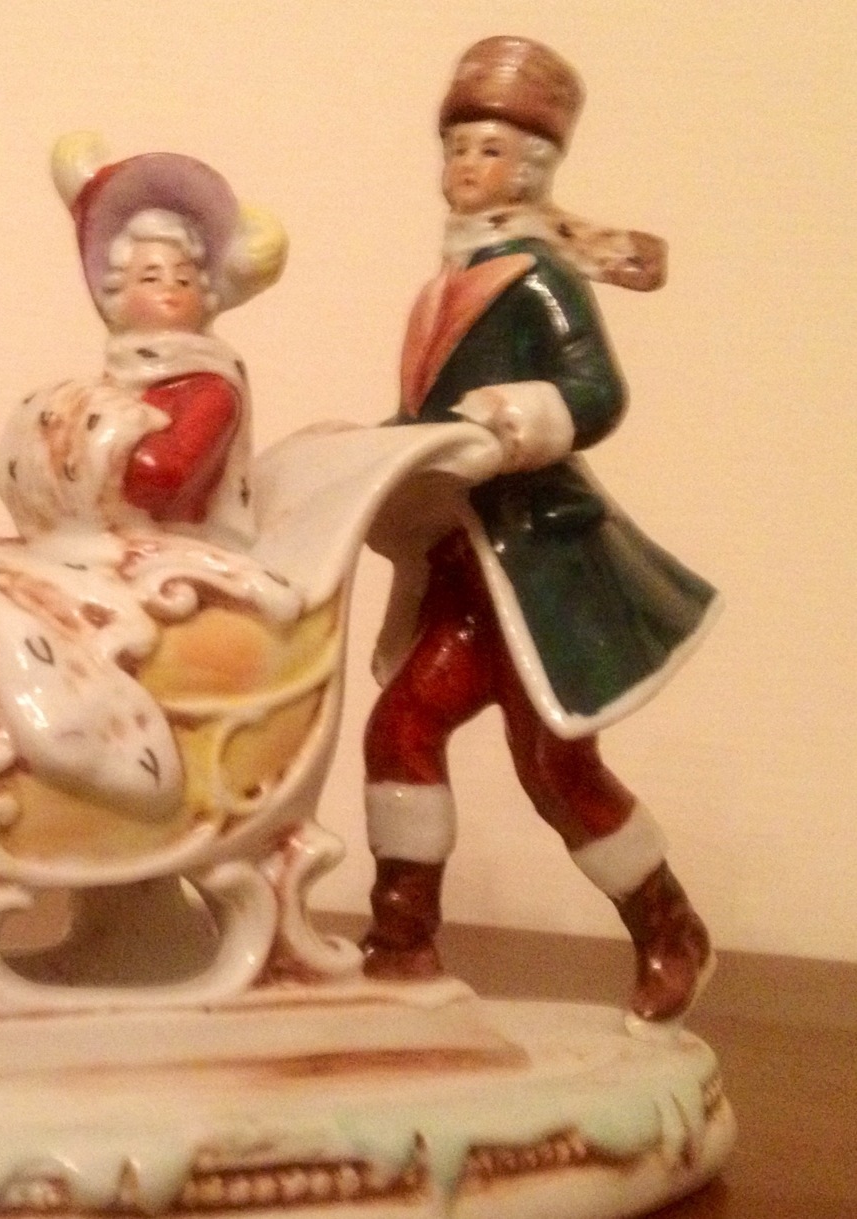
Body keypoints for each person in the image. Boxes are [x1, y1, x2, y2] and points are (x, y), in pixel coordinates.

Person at [360, 36, 720, 1023]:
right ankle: (400, 942)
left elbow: (594, 393)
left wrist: (519, 417)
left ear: (529, 171)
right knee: (401, 728)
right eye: (456, 147)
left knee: (555, 769)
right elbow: (434, 418)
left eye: (488, 150)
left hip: (537, 568)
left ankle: (669, 928)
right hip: (462, 568)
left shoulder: (536, 280)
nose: (464, 166)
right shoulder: (443, 287)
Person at [50, 134, 286, 549]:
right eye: (150, 277)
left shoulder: (210, 388)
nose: (169, 290)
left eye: (183, 278)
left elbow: (160, 477)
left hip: (183, 547)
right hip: (114, 539)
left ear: (206, 294)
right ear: (117, 295)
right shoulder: (120, 376)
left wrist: (95, 441)